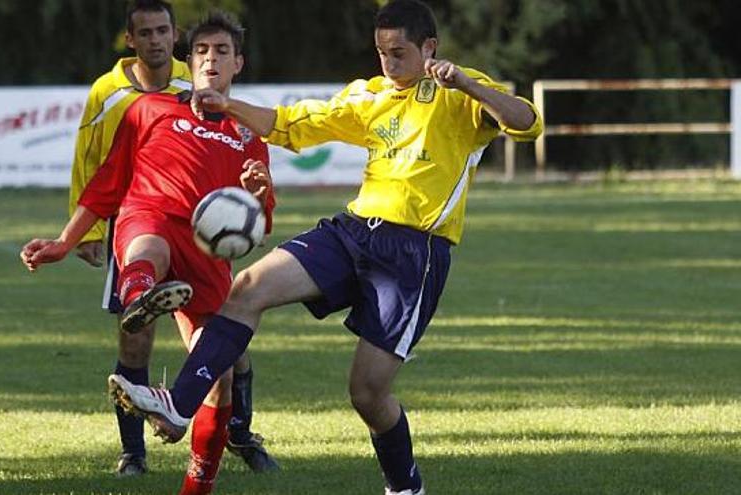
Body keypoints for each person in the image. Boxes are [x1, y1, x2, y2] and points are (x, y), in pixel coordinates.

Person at [106, 0, 543, 493]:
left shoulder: (459, 94)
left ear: (430, 48)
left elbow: (526, 122)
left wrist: (465, 82)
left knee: (368, 394)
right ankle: (179, 404)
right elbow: (290, 124)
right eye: (381, 53)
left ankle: (405, 487)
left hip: (413, 253)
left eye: (399, 53)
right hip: (354, 230)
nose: (389, 63)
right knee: (247, 287)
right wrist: (227, 106)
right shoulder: (371, 96)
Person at [23, 11, 276, 494]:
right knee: (146, 245)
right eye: (202, 52)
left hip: (206, 250)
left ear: (238, 63)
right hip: (150, 215)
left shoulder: (249, 134)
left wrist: (257, 194)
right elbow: (106, 186)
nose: (211, 60)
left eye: (222, 52)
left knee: (219, 374)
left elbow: (259, 226)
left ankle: (196, 485)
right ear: (190, 60)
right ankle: (140, 296)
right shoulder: (149, 110)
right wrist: (64, 242)